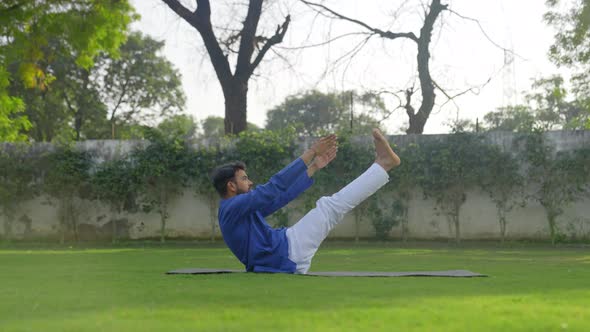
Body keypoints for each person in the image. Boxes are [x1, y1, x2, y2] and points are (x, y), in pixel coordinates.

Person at [210, 129, 400, 274]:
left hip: (286, 255)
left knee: (329, 207)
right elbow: (273, 187)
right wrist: (310, 153)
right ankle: (384, 164)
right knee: (328, 207)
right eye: (244, 179)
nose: (250, 182)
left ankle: (383, 165)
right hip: (287, 252)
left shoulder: (239, 210)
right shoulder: (231, 208)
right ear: (231, 186)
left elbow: (280, 197)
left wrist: (313, 168)